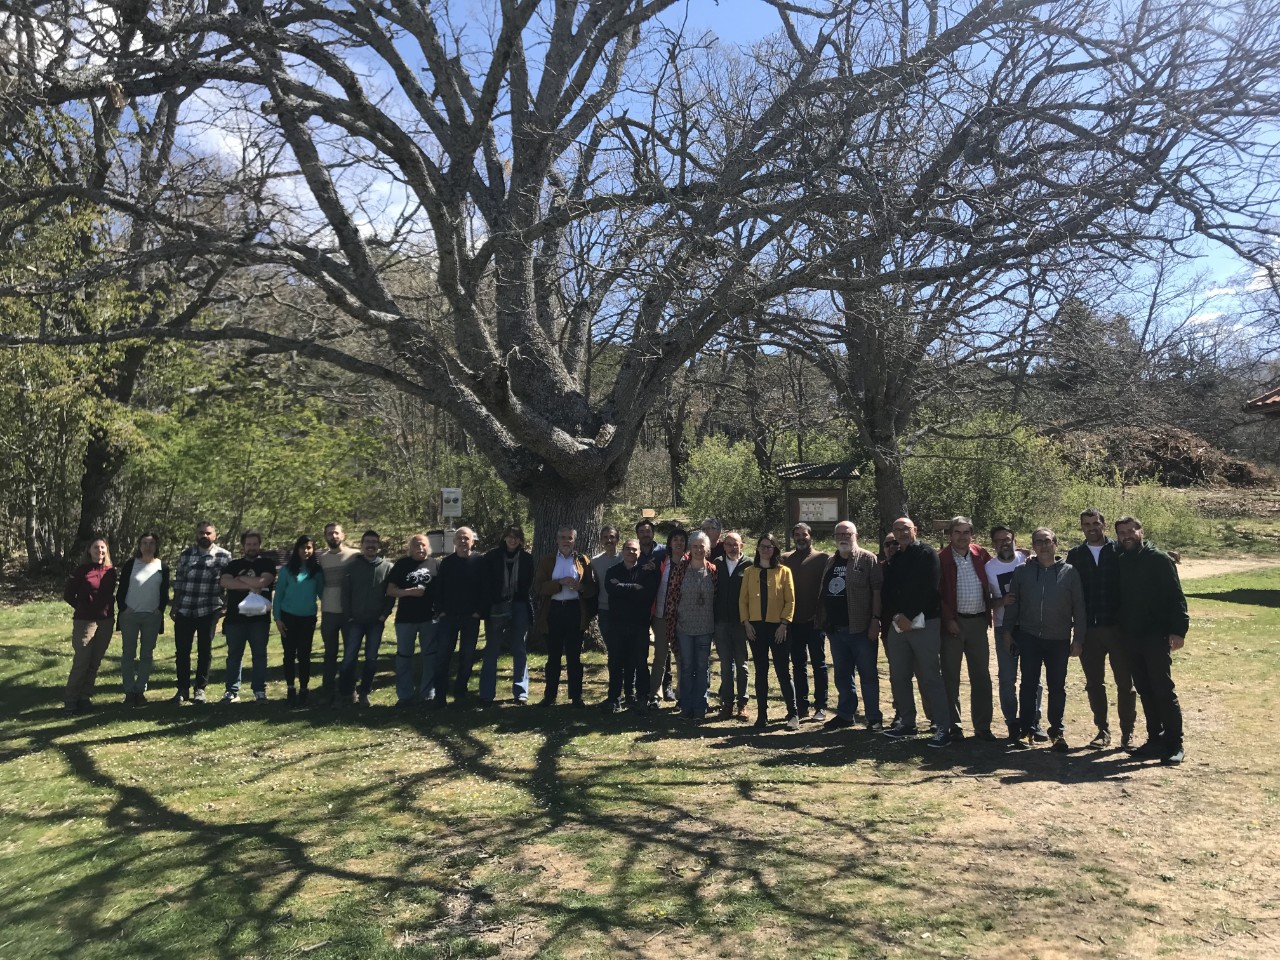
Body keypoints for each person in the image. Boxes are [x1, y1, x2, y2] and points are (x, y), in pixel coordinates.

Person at [1002, 528, 1086, 752]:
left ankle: (1057, 731)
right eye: (1038, 542)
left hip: (1058, 639)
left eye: (1047, 541)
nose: (1043, 545)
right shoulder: (1022, 572)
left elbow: (1079, 608)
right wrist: (1008, 633)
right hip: (1029, 637)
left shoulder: (1070, 572)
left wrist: (1078, 639)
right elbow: (1014, 604)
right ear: (1033, 546)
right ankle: (1026, 729)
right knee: (1028, 685)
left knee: (1057, 686)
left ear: (1056, 544)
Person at [1115, 516, 1189, 765]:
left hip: (1156, 635)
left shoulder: (1159, 560)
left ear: (1141, 531)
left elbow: (1175, 596)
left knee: (1162, 689)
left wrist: (1179, 630)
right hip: (1131, 636)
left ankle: (1174, 743)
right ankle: (1155, 739)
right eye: (1121, 532)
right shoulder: (1122, 559)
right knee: (1145, 689)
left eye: (1130, 530)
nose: (1126, 535)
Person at [1066, 508, 1136, 749]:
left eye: (1096, 523)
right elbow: (1070, 592)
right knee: (1094, 683)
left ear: (1104, 525)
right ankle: (1102, 730)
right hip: (1089, 631)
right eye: (1086, 524)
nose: (1091, 528)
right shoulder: (1075, 555)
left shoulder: (1119, 550)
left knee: (1125, 683)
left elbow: (1142, 557)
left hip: (1118, 629)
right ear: (1082, 528)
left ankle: (1128, 731)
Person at [880, 517, 950, 747]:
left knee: (930, 677)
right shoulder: (896, 558)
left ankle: (942, 727)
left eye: (906, 529)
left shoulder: (927, 554)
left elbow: (930, 588)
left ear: (915, 530)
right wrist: (897, 617)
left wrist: (909, 615)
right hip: (899, 625)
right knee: (899, 676)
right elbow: (888, 592)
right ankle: (908, 723)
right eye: (897, 530)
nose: (901, 533)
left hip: (925, 622)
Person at [816, 521, 884, 731]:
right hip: (836, 631)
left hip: (861, 629)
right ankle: (846, 715)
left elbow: (877, 592)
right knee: (843, 675)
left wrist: (875, 620)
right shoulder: (830, 560)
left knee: (868, 675)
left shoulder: (868, 559)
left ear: (856, 535)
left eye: (847, 533)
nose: (843, 537)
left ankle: (873, 717)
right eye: (839, 534)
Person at [938, 516, 997, 742]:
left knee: (981, 676)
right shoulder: (942, 558)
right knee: (951, 676)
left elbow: (997, 571)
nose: (962, 537)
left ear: (972, 534)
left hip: (978, 623)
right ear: (950, 534)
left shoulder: (980, 554)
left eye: (966, 532)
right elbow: (937, 593)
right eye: (957, 532)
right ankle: (954, 725)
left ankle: (983, 726)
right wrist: (948, 619)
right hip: (953, 624)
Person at [984, 526, 1043, 741]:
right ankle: (1012, 722)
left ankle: (1034, 721)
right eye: (999, 540)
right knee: (1007, 678)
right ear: (993, 544)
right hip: (1004, 629)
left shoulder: (1027, 560)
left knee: (1034, 677)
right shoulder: (989, 568)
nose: (1004, 543)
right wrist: (1001, 601)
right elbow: (986, 601)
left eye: (1007, 539)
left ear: (1014, 540)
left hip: (1030, 627)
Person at [738, 533, 798, 730]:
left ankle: (792, 714)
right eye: (762, 546)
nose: (765, 550)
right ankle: (762, 715)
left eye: (769, 546)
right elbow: (743, 600)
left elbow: (790, 600)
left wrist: (784, 624)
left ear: (775, 549)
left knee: (782, 671)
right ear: (757, 549)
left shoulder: (784, 571)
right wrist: (746, 623)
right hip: (756, 628)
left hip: (778, 628)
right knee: (761, 672)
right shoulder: (749, 572)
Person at [533, 526, 597, 707]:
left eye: (569, 538)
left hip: (574, 611)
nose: (566, 541)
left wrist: (581, 588)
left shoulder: (583, 561)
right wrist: (559, 583)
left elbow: (592, 588)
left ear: (574, 540)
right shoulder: (548, 561)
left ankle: (576, 697)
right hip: (553, 611)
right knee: (553, 657)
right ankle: (550, 696)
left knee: (574, 657)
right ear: (557, 540)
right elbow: (539, 587)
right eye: (562, 537)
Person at [170, 521, 232, 704]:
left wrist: (226, 605)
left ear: (215, 535)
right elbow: (179, 581)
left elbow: (229, 582)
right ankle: (182, 689)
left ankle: (200, 689)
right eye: (201, 533)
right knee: (182, 650)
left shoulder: (224, 556)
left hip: (209, 608)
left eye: (208, 533)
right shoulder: (186, 555)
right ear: (196, 535)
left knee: (205, 650)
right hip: (185, 608)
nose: (204, 536)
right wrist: (175, 606)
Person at [432, 527, 491, 706]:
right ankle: (440, 695)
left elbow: (486, 589)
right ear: (454, 542)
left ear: (473, 541)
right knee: (443, 656)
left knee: (467, 656)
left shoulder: (480, 561)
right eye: (459, 538)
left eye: (466, 538)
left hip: (470, 618)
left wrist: (478, 612)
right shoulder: (446, 563)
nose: (463, 541)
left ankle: (460, 692)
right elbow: (438, 588)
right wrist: (440, 610)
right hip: (448, 617)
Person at [665, 531, 719, 721]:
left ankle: (700, 706)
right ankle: (686, 706)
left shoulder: (713, 570)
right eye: (694, 546)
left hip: (705, 627)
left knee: (702, 667)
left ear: (707, 548)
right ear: (690, 548)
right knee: (687, 667)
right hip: (684, 627)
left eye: (701, 546)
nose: (698, 549)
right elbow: (672, 596)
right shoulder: (681, 569)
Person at [62, 538, 118, 715]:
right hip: (85, 622)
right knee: (82, 661)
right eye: (96, 547)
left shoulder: (111, 571)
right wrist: (82, 607)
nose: (99, 550)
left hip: (106, 621)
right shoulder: (81, 571)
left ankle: (85, 697)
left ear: (106, 550)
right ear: (89, 550)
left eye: (102, 547)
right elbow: (69, 595)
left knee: (95, 662)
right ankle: (71, 700)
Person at [220, 530, 276, 703]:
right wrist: (251, 585)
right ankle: (232, 691)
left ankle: (259, 690)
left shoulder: (267, 563)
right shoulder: (233, 564)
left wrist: (241, 579)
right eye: (248, 544)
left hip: (259, 619)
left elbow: (263, 582)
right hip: (235, 619)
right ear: (243, 546)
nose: (252, 547)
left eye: (255, 544)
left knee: (259, 655)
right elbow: (225, 582)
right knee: (234, 655)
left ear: (259, 545)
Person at [339, 530, 394, 707]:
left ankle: (364, 693)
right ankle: (346, 694)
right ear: (361, 545)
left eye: (374, 542)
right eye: (367, 542)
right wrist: (348, 616)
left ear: (378, 545)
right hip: (355, 621)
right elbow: (345, 594)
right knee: (349, 659)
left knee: (371, 659)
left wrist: (384, 615)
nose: (370, 545)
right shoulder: (352, 567)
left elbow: (390, 595)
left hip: (375, 622)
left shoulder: (387, 567)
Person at [480, 525, 534, 705]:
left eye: (516, 537)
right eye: (510, 536)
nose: (513, 540)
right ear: (504, 538)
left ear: (521, 540)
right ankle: (487, 693)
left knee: (519, 648)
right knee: (492, 649)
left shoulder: (527, 559)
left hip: (519, 605)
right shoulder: (491, 557)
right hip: (497, 605)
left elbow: (530, 584)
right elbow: (485, 583)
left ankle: (521, 691)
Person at [782, 523, 831, 722]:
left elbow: (827, 591)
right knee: (798, 665)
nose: (801, 537)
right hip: (793, 622)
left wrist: (822, 615)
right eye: (797, 535)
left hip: (816, 622)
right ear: (793, 537)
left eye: (805, 534)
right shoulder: (785, 559)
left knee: (819, 664)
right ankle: (802, 706)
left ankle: (821, 706)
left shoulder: (823, 559)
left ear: (811, 536)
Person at [604, 538, 659, 713]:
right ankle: (614, 698)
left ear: (639, 553)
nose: (631, 552)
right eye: (628, 549)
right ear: (622, 551)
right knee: (615, 662)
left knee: (640, 663)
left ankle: (642, 697)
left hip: (639, 625)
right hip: (617, 624)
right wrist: (634, 587)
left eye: (634, 550)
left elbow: (646, 596)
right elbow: (611, 591)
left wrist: (622, 587)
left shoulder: (646, 573)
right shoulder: (612, 570)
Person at [116, 532, 169, 707]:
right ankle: (129, 691)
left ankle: (140, 690)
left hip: (151, 617)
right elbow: (121, 589)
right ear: (139, 546)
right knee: (128, 654)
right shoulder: (131, 565)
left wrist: (159, 610)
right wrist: (124, 609)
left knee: (146, 654)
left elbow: (164, 592)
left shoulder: (162, 566)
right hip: (130, 616)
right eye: (144, 543)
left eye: (151, 543)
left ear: (156, 546)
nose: (148, 546)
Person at [387, 533, 440, 707]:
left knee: (430, 656)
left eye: (424, 545)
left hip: (429, 619)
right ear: (410, 548)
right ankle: (405, 695)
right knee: (404, 657)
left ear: (428, 547)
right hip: (405, 619)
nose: (420, 548)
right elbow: (391, 590)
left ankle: (427, 694)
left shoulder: (436, 564)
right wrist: (409, 592)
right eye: (417, 545)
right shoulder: (402, 564)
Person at [272, 535, 325, 706]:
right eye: (303, 548)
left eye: (309, 547)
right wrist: (277, 618)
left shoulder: (316, 571)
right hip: (288, 617)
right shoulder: (287, 571)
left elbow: (323, 594)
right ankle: (290, 688)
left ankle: (303, 688)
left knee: (304, 655)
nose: (306, 551)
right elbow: (278, 596)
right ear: (297, 549)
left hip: (307, 619)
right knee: (289, 655)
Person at [317, 522, 358, 706]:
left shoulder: (355, 556)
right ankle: (328, 691)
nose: (333, 536)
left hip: (349, 613)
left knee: (350, 654)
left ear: (343, 535)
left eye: (336, 533)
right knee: (330, 654)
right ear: (325, 536)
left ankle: (350, 691)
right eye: (329, 534)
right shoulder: (321, 559)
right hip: (329, 612)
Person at [712, 531, 751, 721]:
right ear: (723, 546)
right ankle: (727, 703)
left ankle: (742, 704)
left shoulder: (750, 565)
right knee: (726, 665)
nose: (732, 548)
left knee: (742, 665)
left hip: (741, 622)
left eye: (735, 544)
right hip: (720, 622)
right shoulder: (716, 564)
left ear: (741, 546)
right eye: (728, 544)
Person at [648, 528, 688, 705]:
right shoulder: (661, 562)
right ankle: (653, 695)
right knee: (660, 656)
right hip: (661, 616)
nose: (678, 543)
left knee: (682, 657)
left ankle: (682, 694)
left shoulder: (690, 563)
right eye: (675, 539)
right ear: (670, 543)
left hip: (682, 618)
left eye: (682, 540)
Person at [589, 526, 621, 696]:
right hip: (604, 611)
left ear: (617, 539)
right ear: (601, 540)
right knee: (612, 651)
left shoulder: (625, 557)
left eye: (612, 537)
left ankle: (629, 691)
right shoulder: (595, 561)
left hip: (623, 612)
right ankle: (614, 691)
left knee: (626, 651)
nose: (609, 540)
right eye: (605, 537)